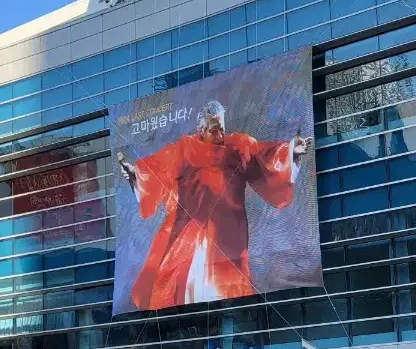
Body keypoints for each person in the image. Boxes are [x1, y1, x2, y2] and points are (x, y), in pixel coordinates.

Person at [116, 100, 313, 310]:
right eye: (213, 130)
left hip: (226, 238)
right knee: (183, 286)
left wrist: (290, 150)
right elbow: (157, 169)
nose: (220, 135)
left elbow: (264, 155)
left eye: (222, 129)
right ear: (200, 130)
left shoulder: (238, 146)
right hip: (188, 239)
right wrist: (135, 174)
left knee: (225, 289)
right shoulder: (183, 149)